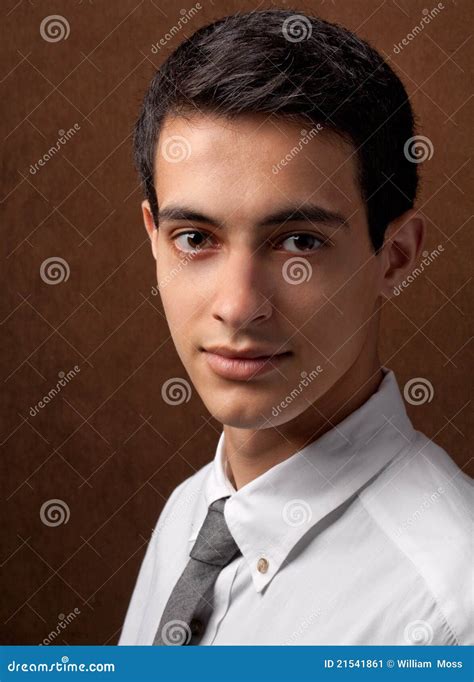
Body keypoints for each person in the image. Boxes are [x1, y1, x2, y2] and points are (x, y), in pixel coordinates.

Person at [118, 9, 472, 645]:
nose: (239, 305)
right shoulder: (189, 515)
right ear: (154, 239)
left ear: (395, 256)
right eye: (195, 238)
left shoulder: (453, 607)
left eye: (299, 242)